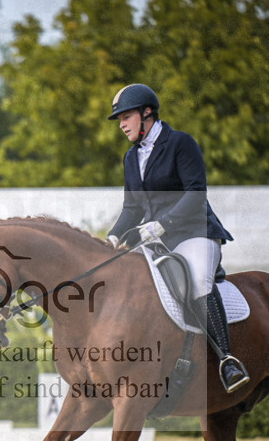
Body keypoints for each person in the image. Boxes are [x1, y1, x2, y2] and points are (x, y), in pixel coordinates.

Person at [105, 83, 249, 393]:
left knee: (197, 281)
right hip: (158, 241)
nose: (121, 125)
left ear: (147, 113)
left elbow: (196, 194)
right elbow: (132, 208)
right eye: (119, 120)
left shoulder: (181, 143)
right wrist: (112, 237)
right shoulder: (131, 158)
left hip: (195, 232)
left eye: (126, 117)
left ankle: (227, 360)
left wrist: (163, 224)